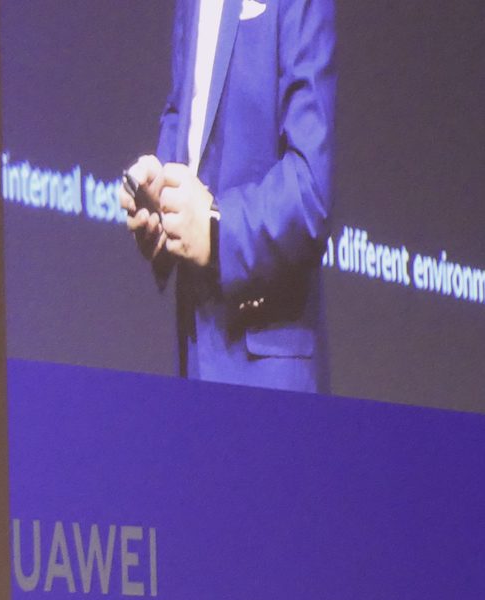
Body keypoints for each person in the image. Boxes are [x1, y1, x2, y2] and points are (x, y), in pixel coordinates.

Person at [119, 0, 335, 393]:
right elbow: (183, 111)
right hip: (196, 351)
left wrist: (217, 228)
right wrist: (160, 195)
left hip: (267, 363)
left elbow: (310, 191)